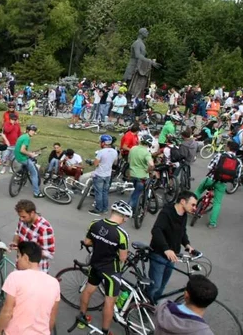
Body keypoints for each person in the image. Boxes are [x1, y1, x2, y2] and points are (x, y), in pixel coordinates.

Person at [77, 201, 132, 335]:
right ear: (123, 216)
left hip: (95, 263)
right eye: (126, 218)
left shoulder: (95, 223)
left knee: (88, 290)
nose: (126, 220)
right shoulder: (121, 234)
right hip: (110, 270)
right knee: (109, 301)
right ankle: (105, 331)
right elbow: (123, 258)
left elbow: (87, 242)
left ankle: (81, 318)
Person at [0, 241, 60, 335]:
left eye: (18, 256)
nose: (17, 260)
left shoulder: (15, 277)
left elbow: (7, 312)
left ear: (25, 258)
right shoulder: (54, 283)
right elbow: (51, 319)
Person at [148, 190, 196, 303]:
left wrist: (187, 245)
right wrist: (166, 249)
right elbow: (156, 230)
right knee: (155, 284)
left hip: (173, 255)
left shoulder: (183, 214)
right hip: (159, 254)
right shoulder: (167, 212)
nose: (194, 208)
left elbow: (182, 232)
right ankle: (145, 303)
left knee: (162, 284)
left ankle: (153, 302)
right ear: (183, 201)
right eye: (193, 204)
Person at [194, 141, 242, 228]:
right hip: (222, 183)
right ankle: (212, 223)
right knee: (217, 203)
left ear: (228, 147)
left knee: (199, 190)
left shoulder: (220, 155)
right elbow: (237, 177)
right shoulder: (238, 161)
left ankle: (190, 206)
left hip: (211, 179)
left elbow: (210, 166)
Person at [9, 199, 55, 273]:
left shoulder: (45, 229)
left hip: (35, 271)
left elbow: (50, 254)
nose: (21, 219)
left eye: (24, 217)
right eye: (20, 216)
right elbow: (17, 232)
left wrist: (29, 251)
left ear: (32, 213)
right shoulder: (22, 221)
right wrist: (15, 242)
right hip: (20, 266)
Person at [89, 135, 118, 216]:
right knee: (105, 192)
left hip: (99, 174)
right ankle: (105, 209)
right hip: (108, 175)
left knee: (99, 192)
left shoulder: (101, 152)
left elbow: (95, 164)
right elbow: (115, 162)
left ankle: (98, 209)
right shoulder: (114, 151)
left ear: (103, 143)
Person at [13, 124, 44, 198]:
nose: (34, 132)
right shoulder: (27, 138)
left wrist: (29, 152)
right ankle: (37, 193)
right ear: (28, 130)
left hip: (17, 157)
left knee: (28, 162)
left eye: (35, 131)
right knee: (34, 174)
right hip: (22, 158)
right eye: (32, 131)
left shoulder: (22, 136)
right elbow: (22, 150)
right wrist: (31, 154)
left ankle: (21, 174)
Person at [127, 134, 155, 211]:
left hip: (133, 174)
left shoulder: (133, 148)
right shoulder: (146, 153)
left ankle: (133, 206)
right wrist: (148, 170)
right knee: (136, 195)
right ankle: (129, 210)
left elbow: (129, 160)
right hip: (142, 176)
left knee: (136, 191)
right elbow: (151, 165)